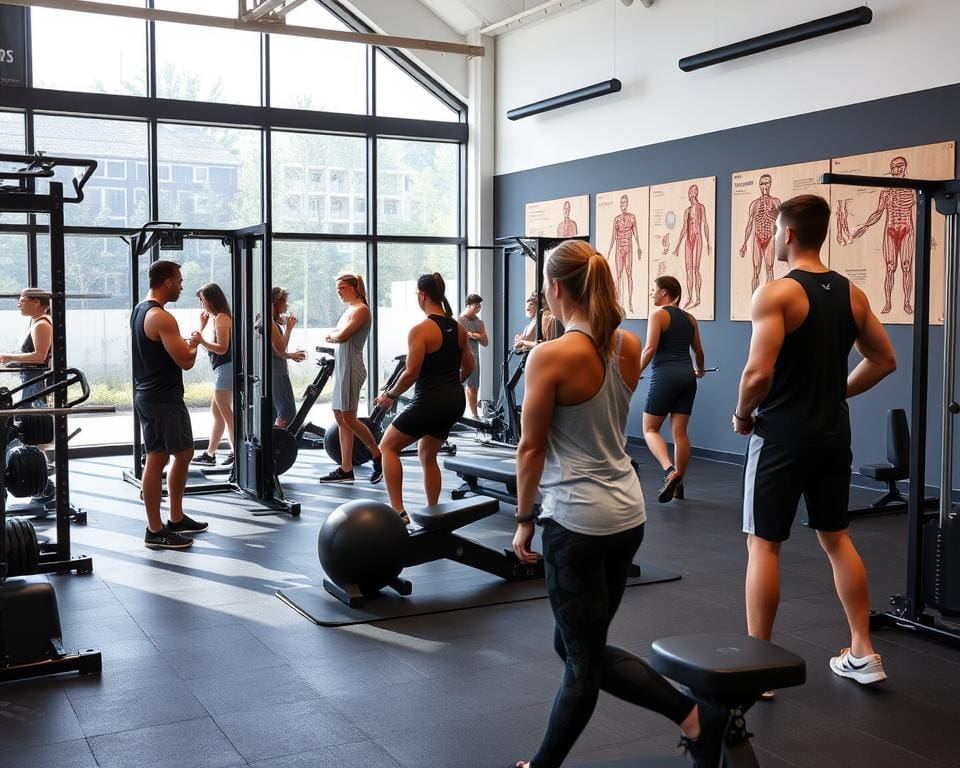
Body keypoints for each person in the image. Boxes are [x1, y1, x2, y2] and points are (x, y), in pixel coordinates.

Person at [509, 240, 722, 768]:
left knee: (582, 660)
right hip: (627, 513)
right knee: (579, 648)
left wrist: (522, 521)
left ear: (555, 289)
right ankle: (695, 718)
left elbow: (531, 447)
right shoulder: (624, 345)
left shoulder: (550, 356)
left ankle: (693, 719)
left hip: (577, 522)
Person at [733, 194, 897, 686]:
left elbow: (757, 372)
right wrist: (834, 391)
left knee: (763, 545)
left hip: (780, 437)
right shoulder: (852, 294)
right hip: (831, 435)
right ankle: (863, 652)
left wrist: (742, 415)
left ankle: (758, 670)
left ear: (785, 234)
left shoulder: (777, 293)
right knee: (837, 538)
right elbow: (884, 359)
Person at [373, 273, 473, 524]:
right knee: (427, 453)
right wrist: (450, 385)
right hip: (454, 400)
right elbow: (469, 368)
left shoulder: (421, 330)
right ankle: (433, 511)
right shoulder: (458, 328)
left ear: (422, 295)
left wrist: (389, 395)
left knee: (388, 446)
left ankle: (398, 512)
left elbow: (411, 373)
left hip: (431, 400)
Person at [131, 260, 208, 550]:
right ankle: (155, 530)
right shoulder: (161, 317)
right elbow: (186, 361)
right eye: (179, 280)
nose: (182, 285)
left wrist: (185, 342)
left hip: (163, 396)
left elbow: (164, 350)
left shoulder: (140, 309)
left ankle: (175, 517)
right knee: (157, 459)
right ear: (167, 283)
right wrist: (196, 343)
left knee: (185, 453)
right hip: (159, 398)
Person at [640, 275, 706, 503]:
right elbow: (698, 350)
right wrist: (700, 369)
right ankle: (679, 487)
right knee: (680, 433)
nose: (651, 294)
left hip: (665, 375)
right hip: (688, 376)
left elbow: (649, 349)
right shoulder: (690, 319)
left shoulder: (658, 315)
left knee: (649, 430)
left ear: (665, 292)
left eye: (653, 289)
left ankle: (670, 472)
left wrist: (633, 372)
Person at [320, 273, 383, 484]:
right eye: (337, 288)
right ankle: (346, 469)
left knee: (349, 418)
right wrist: (334, 335)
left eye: (342, 287)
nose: (338, 291)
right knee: (340, 417)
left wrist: (332, 335)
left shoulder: (362, 310)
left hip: (351, 368)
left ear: (355, 287)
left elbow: (342, 336)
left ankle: (377, 455)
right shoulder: (349, 311)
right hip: (342, 367)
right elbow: (340, 334)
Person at [190, 283, 234, 467]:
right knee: (217, 413)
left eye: (203, 300)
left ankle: (236, 452)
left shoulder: (222, 318)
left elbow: (222, 348)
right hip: (221, 370)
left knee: (226, 414)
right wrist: (202, 326)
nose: (203, 305)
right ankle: (210, 454)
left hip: (225, 369)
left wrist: (202, 342)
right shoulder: (218, 317)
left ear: (212, 300)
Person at [0, 288, 53, 408]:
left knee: (32, 413)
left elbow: (40, 357)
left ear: (36, 302)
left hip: (35, 378)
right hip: (32, 377)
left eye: (22, 301)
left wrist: (7, 356)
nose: (19, 305)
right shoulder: (37, 322)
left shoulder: (41, 325)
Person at [270, 287, 306, 429]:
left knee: (277, 409)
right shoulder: (270, 323)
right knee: (286, 410)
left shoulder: (269, 321)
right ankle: (282, 443)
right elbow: (279, 350)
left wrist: (289, 328)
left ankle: (278, 442)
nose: (287, 304)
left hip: (276, 370)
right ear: (276, 303)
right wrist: (292, 355)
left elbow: (278, 348)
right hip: (277, 371)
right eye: (285, 301)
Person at [458, 293, 488, 419]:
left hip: (474, 358)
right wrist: (476, 335)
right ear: (467, 305)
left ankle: (475, 416)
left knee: (473, 387)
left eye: (479, 306)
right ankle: (457, 415)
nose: (478, 308)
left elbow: (485, 342)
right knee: (459, 387)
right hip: (460, 357)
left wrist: (471, 334)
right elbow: (460, 338)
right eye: (475, 305)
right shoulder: (459, 321)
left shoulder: (479, 322)